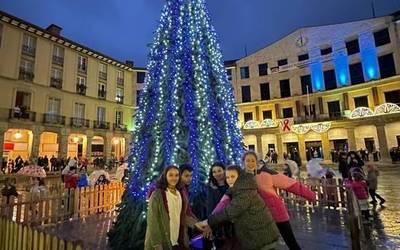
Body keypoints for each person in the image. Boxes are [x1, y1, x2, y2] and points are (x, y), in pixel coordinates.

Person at [244, 151, 315, 250]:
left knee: (290, 241)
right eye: (247, 161)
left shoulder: (267, 173)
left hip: (276, 212)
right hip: (260, 216)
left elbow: (290, 184)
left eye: (252, 160)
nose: (250, 163)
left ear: (256, 161)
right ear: (243, 162)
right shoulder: (242, 178)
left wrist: (310, 195)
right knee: (266, 244)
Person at [197, 165, 279, 250]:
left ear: (240, 177)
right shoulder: (235, 189)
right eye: (227, 177)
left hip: (262, 236)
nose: (229, 180)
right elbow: (222, 203)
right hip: (255, 234)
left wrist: (208, 222)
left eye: (233, 177)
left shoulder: (245, 191)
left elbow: (230, 211)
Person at [144, 165, 198, 250]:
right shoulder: (157, 195)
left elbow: (182, 215)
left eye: (176, 175)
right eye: (171, 175)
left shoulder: (180, 193)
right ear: (165, 176)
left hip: (177, 240)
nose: (174, 178)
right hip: (162, 240)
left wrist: (196, 224)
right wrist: (157, 244)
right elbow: (152, 220)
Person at [205, 162, 232, 249]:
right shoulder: (211, 188)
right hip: (218, 225)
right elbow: (210, 207)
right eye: (214, 172)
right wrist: (209, 223)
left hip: (232, 222)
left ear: (224, 171)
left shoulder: (231, 185)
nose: (217, 174)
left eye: (219, 171)